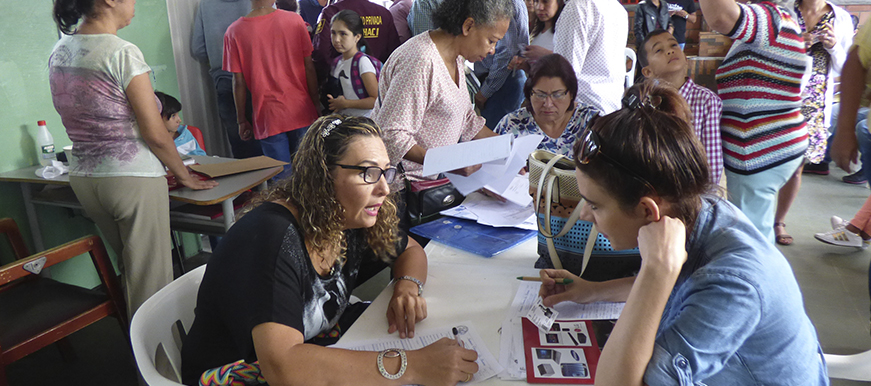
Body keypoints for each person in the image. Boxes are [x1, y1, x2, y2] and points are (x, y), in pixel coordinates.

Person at [538, 81, 828, 385]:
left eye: (595, 205)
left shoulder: (732, 284)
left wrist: (656, 271)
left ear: (649, 211)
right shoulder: (700, 209)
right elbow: (683, 291)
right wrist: (592, 291)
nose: (584, 215)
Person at [180, 115, 479, 386]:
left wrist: (407, 288)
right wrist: (412, 366)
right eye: (367, 172)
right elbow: (283, 368)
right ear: (323, 177)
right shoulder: (271, 237)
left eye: (385, 172)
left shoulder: (347, 217)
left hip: (311, 349)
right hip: (236, 373)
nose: (385, 188)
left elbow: (410, 251)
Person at [49, 0, 218, 315]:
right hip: (130, 178)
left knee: (131, 269)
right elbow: (155, 132)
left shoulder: (60, 51)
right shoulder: (121, 52)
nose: (135, 4)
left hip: (86, 178)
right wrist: (184, 176)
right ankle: (158, 363)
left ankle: (140, 351)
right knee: (152, 285)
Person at [700, 0, 808, 244]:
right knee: (754, 230)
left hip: (760, 152)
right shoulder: (770, 22)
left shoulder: (771, 19)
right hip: (769, 147)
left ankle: (756, 282)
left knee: (751, 243)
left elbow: (719, 16)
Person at [373, 0, 513, 184]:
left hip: (428, 184)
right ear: (468, 26)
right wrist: (446, 162)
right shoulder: (420, 61)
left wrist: (508, 149)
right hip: (403, 189)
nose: (492, 50)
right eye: (491, 40)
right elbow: (391, 135)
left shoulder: (455, 58)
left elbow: (466, 119)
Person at [772, 0, 853, 245]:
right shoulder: (783, 10)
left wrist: (834, 46)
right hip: (780, 95)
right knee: (769, 161)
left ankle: (778, 221)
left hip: (816, 103)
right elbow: (768, 53)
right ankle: (758, 217)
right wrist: (795, 45)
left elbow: (844, 69)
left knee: (797, 166)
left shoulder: (841, 19)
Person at [224, 0, 319, 179]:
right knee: (310, 173)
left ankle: (285, 207)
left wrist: (241, 120)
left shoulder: (234, 31)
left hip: (267, 114)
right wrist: (316, 103)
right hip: (301, 108)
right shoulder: (295, 21)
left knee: (280, 179)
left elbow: (238, 82)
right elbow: (309, 67)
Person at [638, 30, 723, 185]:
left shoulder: (706, 100)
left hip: (693, 191)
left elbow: (712, 164)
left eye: (673, 45)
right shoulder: (644, 102)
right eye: (659, 50)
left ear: (685, 57)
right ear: (648, 71)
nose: (670, 51)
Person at [190, 0, 263, 159]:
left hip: (224, 77)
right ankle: (272, 181)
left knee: (240, 139)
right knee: (268, 138)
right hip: (259, 77)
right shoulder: (256, 1)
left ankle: (249, 182)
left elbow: (198, 49)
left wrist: (221, 59)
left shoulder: (206, 5)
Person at [494, 53, 599, 156]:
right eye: (540, 95)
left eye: (557, 95)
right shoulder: (511, 124)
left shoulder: (591, 122)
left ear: (571, 94)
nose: (548, 104)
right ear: (529, 93)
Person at [549, 0, 627, 114]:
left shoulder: (578, 7)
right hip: (611, 109)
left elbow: (564, 74)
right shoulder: (618, 8)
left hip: (582, 112)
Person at [312, 0, 400, 82]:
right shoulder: (383, 13)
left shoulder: (332, 11)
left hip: (341, 82)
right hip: (378, 82)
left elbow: (321, 52)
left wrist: (329, 76)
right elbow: (394, 54)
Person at [473, 0, 529, 129]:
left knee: (492, 140)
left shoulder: (506, 3)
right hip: (494, 80)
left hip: (504, 81)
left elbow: (506, 53)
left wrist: (484, 93)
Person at [327, 10, 381, 118]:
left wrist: (346, 103)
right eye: (333, 33)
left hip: (364, 122)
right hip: (346, 121)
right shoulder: (337, 62)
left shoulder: (362, 62)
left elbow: (375, 100)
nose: (337, 39)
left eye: (343, 34)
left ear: (357, 37)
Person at [507, 0, 564, 76]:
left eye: (546, 1)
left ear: (559, 2)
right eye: (536, 1)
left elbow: (571, 68)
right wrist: (524, 65)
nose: (539, 7)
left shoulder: (563, 33)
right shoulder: (537, 32)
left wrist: (546, 55)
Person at [155, 91, 206, 157]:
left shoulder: (185, 134)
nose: (179, 120)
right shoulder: (154, 140)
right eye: (173, 116)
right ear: (158, 117)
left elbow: (201, 157)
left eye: (177, 114)